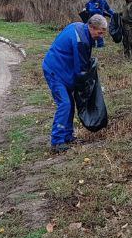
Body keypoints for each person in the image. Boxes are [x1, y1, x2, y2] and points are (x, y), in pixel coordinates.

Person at [41, 14, 109, 152]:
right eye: (100, 32)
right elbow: (81, 70)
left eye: (103, 33)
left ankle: (67, 136)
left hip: (63, 69)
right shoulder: (81, 41)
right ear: (92, 27)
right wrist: (85, 88)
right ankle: (57, 142)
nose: (101, 35)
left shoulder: (79, 27)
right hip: (55, 71)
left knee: (70, 104)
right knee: (65, 104)